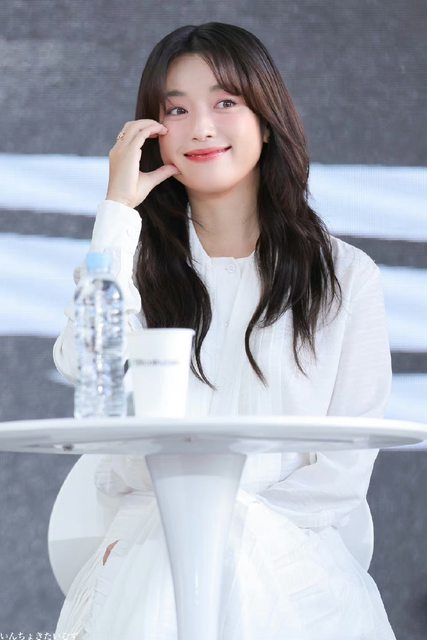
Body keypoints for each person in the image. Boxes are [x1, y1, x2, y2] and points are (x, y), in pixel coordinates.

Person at [53, 21, 396, 640]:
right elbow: (86, 365)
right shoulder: (130, 264)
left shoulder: (345, 277)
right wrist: (116, 215)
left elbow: (343, 472)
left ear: (266, 117)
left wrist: (230, 530)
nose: (202, 128)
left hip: (294, 565)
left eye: (225, 102)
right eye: (176, 110)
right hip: (150, 550)